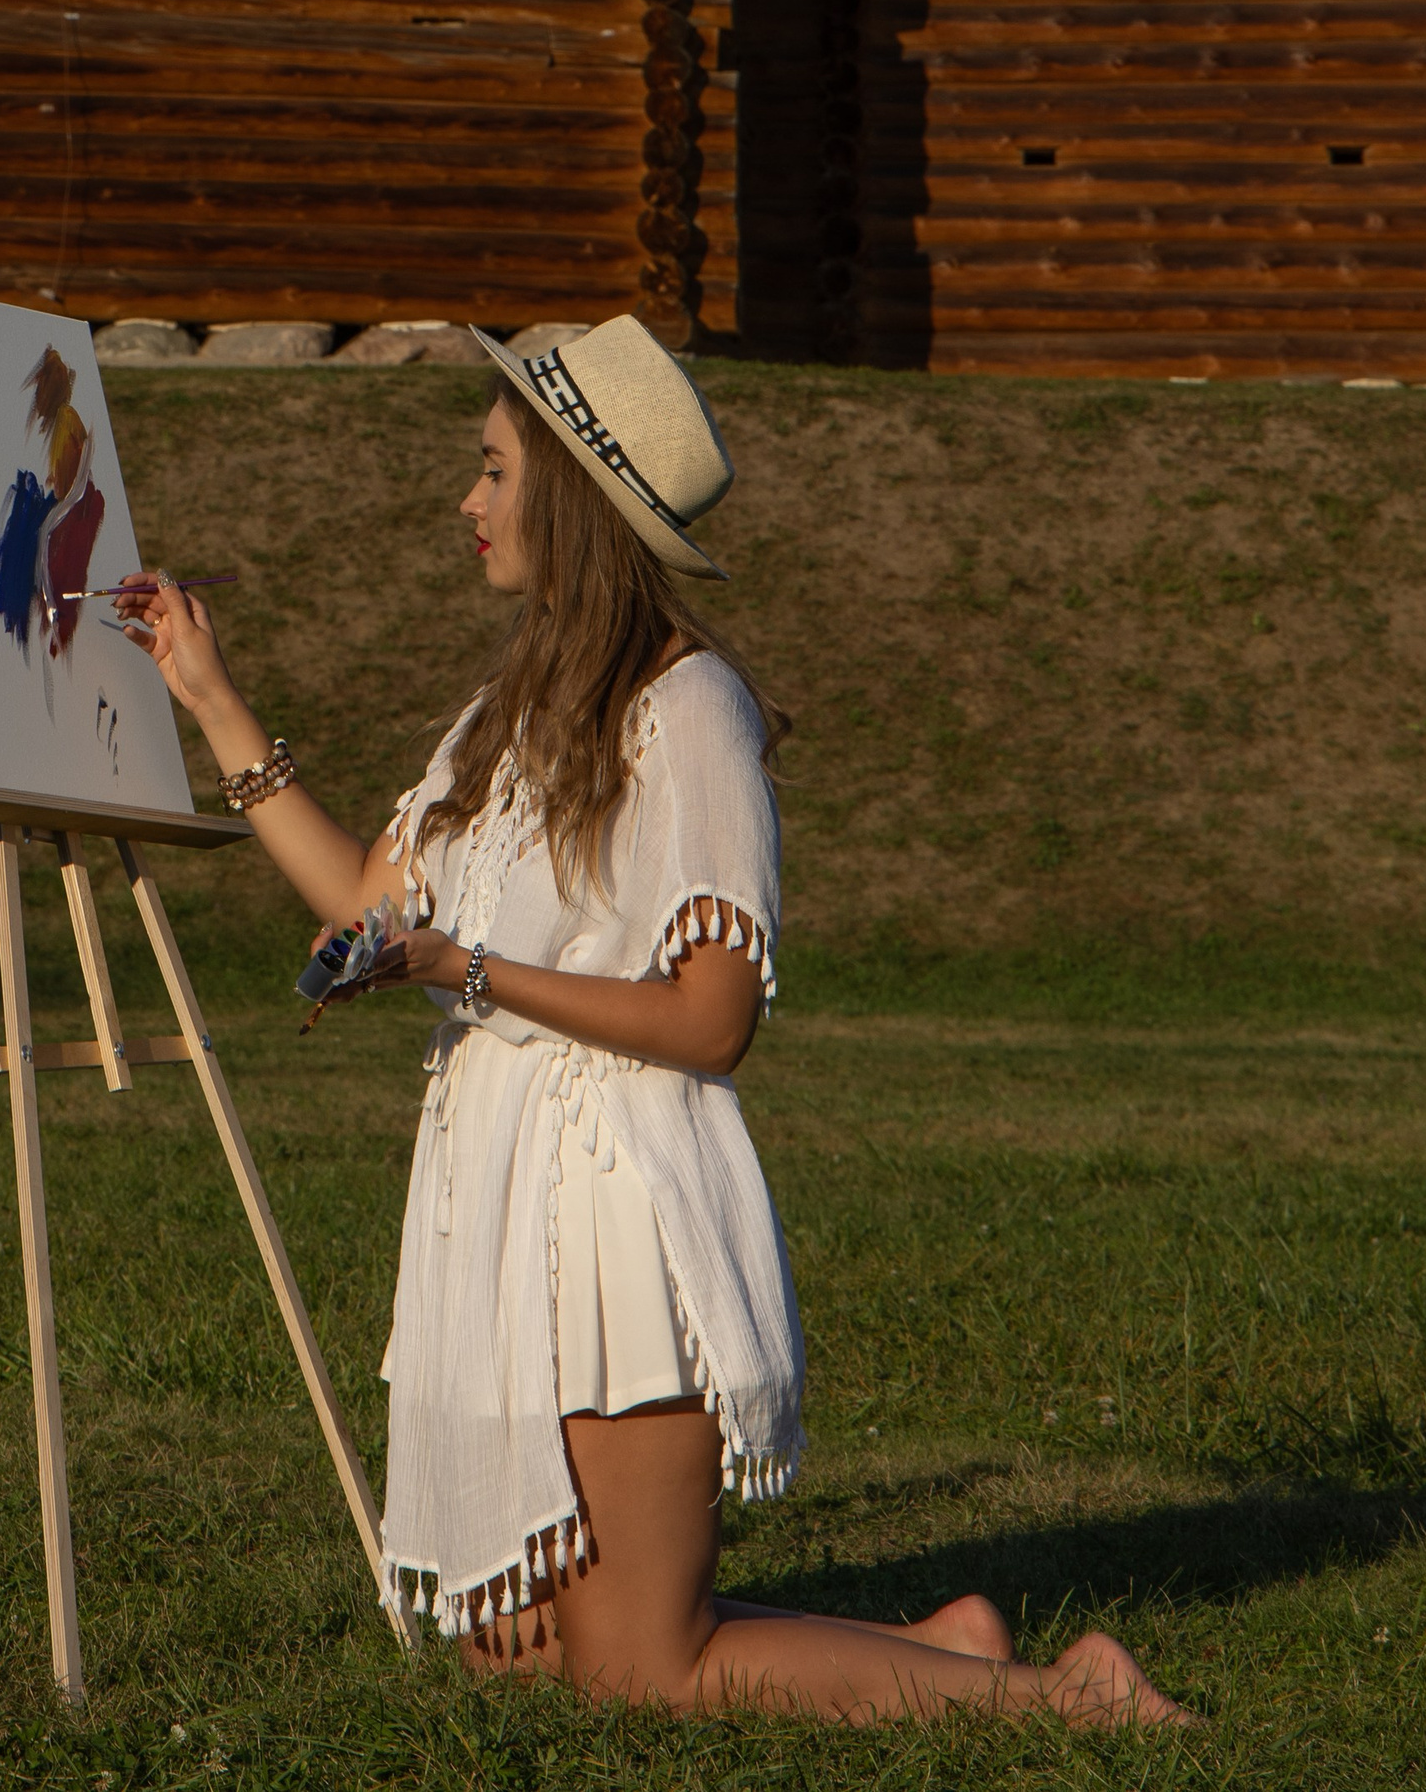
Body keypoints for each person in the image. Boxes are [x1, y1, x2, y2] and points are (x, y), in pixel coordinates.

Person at [124, 315, 1183, 1724]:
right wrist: (210, 697)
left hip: (613, 1203)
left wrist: (471, 971)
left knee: (638, 1669)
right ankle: (944, 1640)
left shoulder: (689, 711)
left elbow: (712, 1017)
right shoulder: (501, 715)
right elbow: (368, 894)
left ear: (570, 496)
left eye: (495, 470)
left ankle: (1066, 1695)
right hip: (497, 1204)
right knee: (517, 1656)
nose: (468, 500)